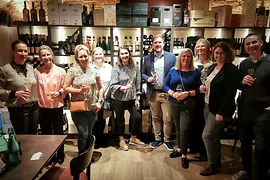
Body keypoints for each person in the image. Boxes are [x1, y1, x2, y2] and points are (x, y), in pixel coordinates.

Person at [232, 34, 270, 180]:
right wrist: (242, 81)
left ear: (261, 43)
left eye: (254, 42)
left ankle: (261, 175)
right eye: (247, 44)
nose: (251, 45)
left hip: (264, 111)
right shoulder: (245, 64)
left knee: (261, 147)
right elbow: (239, 85)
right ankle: (246, 171)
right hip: (245, 109)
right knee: (245, 142)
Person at [199, 42, 239, 176]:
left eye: (222, 53)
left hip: (219, 110)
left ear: (227, 54)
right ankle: (216, 162)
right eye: (216, 53)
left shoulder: (231, 70)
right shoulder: (212, 67)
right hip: (207, 105)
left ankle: (211, 165)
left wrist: (221, 112)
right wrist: (203, 88)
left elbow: (230, 94)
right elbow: (207, 82)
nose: (218, 55)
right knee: (214, 136)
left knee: (207, 136)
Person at [163, 48, 201, 169]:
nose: (186, 58)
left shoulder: (196, 72)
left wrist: (187, 93)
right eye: (184, 56)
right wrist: (173, 94)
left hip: (188, 104)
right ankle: (179, 149)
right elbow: (164, 85)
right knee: (178, 127)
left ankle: (184, 154)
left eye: (189, 56)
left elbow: (200, 90)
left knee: (184, 128)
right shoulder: (173, 70)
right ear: (180, 58)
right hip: (174, 102)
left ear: (192, 58)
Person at [63, 45, 104, 154]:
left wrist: (100, 102)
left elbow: (101, 88)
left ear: (89, 56)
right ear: (76, 57)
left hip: (92, 107)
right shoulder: (72, 70)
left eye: (85, 56)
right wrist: (79, 91)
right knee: (83, 133)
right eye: (81, 57)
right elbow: (65, 87)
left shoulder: (95, 69)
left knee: (89, 133)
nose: (84, 59)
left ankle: (88, 156)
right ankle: (81, 156)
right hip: (78, 107)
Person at [141, 35, 176, 152]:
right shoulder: (147, 58)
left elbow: (176, 73)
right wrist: (147, 79)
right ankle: (157, 138)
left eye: (160, 42)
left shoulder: (171, 57)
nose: (158, 45)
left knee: (167, 118)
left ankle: (167, 140)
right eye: (156, 43)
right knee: (155, 117)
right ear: (152, 45)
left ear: (164, 43)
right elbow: (142, 74)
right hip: (153, 93)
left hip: (167, 93)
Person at [34, 45, 66, 164]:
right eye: (43, 55)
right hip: (42, 107)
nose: (46, 57)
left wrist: (60, 92)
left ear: (52, 55)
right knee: (46, 133)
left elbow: (65, 87)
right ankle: (49, 156)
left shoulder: (61, 71)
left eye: (48, 54)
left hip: (57, 106)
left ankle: (60, 154)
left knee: (58, 132)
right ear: (40, 57)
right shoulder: (36, 71)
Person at [110, 46, 144, 151]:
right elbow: (112, 86)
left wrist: (137, 98)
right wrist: (124, 87)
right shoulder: (116, 69)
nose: (124, 55)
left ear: (129, 54)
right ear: (119, 56)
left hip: (131, 98)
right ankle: (121, 139)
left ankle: (133, 138)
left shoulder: (135, 67)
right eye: (122, 54)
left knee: (137, 117)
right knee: (119, 119)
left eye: (126, 53)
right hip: (118, 98)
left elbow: (138, 84)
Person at [0, 40, 38, 134]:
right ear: (13, 52)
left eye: (25, 51)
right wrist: (14, 93)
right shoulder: (4, 70)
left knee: (34, 137)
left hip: (34, 108)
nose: (23, 54)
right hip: (18, 109)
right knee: (23, 139)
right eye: (20, 51)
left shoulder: (30, 68)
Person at [190, 38, 213, 158]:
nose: (200, 48)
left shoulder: (213, 64)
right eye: (198, 46)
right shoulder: (192, 62)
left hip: (207, 97)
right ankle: (194, 147)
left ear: (209, 48)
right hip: (193, 96)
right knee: (194, 122)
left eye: (203, 46)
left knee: (204, 123)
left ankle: (204, 150)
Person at [92, 47, 112, 148]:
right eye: (96, 54)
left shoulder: (108, 67)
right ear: (93, 56)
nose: (99, 56)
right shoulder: (90, 68)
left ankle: (99, 140)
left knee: (102, 120)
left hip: (106, 98)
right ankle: (93, 142)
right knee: (93, 120)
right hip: (93, 98)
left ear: (103, 55)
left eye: (100, 54)